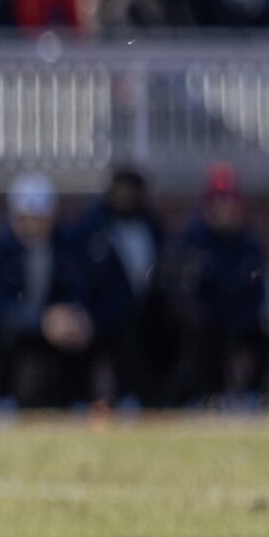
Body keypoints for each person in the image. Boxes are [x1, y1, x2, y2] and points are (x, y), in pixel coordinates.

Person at [0, 173, 99, 409]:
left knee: (80, 328)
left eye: (39, 217)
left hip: (55, 326)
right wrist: (42, 321)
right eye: (25, 218)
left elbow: (78, 287)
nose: (32, 225)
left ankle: (78, 402)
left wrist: (73, 315)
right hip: (15, 327)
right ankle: (5, 401)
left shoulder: (66, 244)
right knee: (5, 334)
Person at [70, 167, 169, 406]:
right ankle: (87, 398)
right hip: (102, 311)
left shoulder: (150, 225)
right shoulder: (94, 225)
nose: (126, 197)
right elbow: (82, 274)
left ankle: (156, 398)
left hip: (145, 311)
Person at [174, 164, 269, 407]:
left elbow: (258, 291)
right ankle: (205, 396)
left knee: (264, 337)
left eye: (229, 200)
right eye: (218, 200)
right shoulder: (191, 239)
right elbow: (183, 290)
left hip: (241, 318)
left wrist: (241, 319)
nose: (224, 207)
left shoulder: (250, 243)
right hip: (206, 321)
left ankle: (252, 397)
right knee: (201, 335)